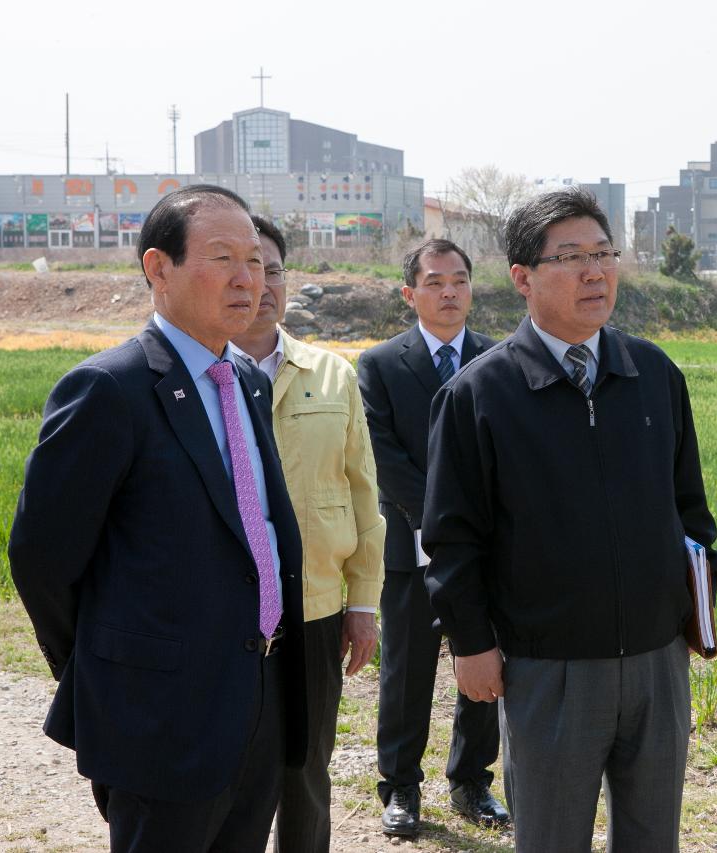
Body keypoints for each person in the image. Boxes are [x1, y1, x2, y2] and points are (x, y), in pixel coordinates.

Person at [422, 188, 717, 852]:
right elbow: (451, 538)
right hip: (548, 668)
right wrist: (471, 643)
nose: (595, 272)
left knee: (653, 838)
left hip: (656, 664)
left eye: (603, 253)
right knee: (553, 838)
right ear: (523, 277)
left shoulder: (652, 374)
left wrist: (690, 603)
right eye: (572, 257)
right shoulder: (480, 394)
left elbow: (690, 510)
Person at [8, 184, 307, 852]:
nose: (246, 278)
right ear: (157, 268)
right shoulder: (110, 390)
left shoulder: (248, 382)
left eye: (257, 261)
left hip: (256, 700)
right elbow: (42, 558)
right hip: (160, 717)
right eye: (223, 256)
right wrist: (107, 673)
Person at [230, 215, 386, 852]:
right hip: (228, 614)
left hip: (316, 605)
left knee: (306, 769)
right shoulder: (196, 378)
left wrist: (365, 603)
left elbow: (362, 494)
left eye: (272, 269)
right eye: (245, 268)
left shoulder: (332, 374)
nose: (261, 284)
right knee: (229, 769)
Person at [356, 238, 505, 837]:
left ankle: (472, 781)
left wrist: (472, 530)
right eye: (437, 281)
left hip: (484, 549)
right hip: (409, 541)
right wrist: (443, 521)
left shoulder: (498, 361)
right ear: (409, 292)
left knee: (483, 661)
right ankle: (400, 787)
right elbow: (382, 455)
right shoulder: (381, 364)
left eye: (461, 281)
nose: (450, 292)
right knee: (408, 670)